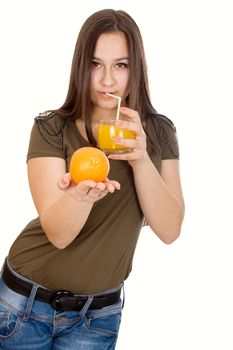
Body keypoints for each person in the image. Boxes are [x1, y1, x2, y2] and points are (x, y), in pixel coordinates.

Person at [0, 8, 185, 350]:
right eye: (95, 64)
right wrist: (78, 197)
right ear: (80, 66)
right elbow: (58, 233)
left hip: (97, 316)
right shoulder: (51, 128)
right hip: (23, 306)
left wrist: (142, 159)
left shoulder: (159, 132)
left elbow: (170, 229)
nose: (107, 80)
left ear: (137, 68)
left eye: (121, 65)